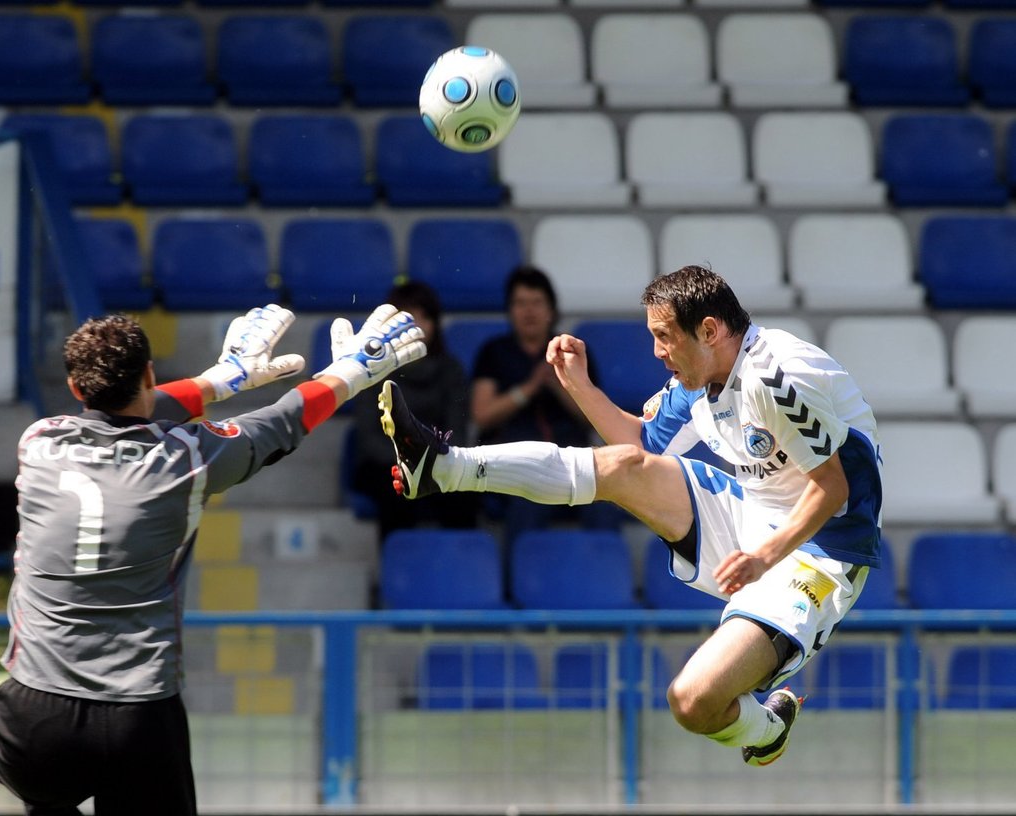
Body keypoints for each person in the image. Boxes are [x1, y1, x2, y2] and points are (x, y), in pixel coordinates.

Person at [379, 265, 882, 767]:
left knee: (692, 701)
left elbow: (832, 488)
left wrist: (763, 556)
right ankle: (444, 468)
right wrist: (579, 386)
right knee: (624, 467)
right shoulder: (700, 376)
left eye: (664, 337)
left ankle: (766, 728)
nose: (658, 352)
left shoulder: (776, 376)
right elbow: (639, 443)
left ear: (708, 330)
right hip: (753, 511)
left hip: (821, 550)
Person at [0, 302, 425, 815]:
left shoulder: (39, 441)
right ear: (148, 374)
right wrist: (351, 371)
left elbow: (131, 413)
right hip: (136, 715)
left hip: (33, 715)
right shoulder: (186, 458)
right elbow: (282, 421)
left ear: (77, 389)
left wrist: (222, 379)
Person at [469, 265, 610, 545]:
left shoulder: (572, 350)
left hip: (573, 462)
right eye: (521, 304)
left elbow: (598, 417)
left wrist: (561, 386)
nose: (529, 311)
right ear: (509, 310)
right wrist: (529, 388)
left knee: (607, 504)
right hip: (518, 465)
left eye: (537, 303)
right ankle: (517, 585)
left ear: (551, 309)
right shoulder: (494, 352)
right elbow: (482, 415)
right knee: (528, 502)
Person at [349, 281, 477, 543]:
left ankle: (462, 571)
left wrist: (430, 463)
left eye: (424, 317)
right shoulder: (372, 370)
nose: (416, 326)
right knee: (396, 493)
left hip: (438, 461)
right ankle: (395, 574)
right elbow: (368, 436)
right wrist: (406, 462)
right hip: (385, 463)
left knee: (465, 494)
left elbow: (457, 430)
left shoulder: (451, 369)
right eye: (407, 318)